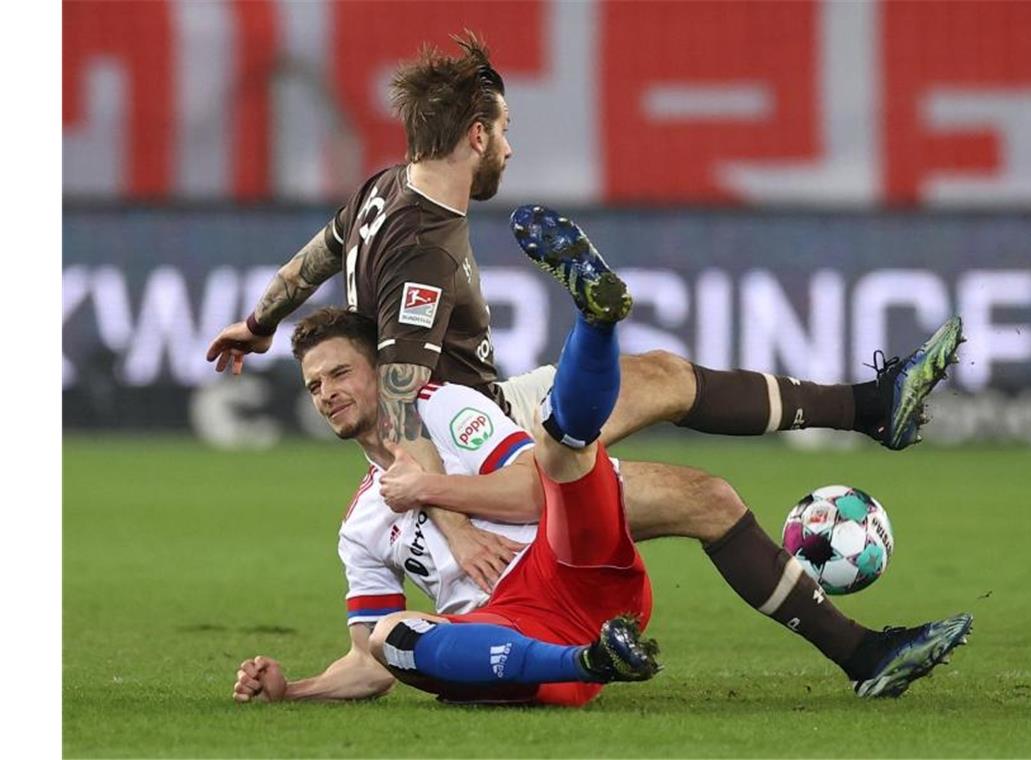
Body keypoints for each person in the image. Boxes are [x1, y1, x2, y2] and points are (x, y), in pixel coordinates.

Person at [209, 33, 965, 669]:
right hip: (475, 446)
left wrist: (261, 321)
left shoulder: (382, 190)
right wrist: (456, 524)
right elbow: (400, 403)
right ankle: (864, 655)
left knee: (663, 376)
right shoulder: (425, 253)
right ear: (475, 135)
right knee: (709, 501)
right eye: (502, 131)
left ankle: (874, 408)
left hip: (488, 408)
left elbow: (309, 260)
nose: (508, 146)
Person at [233, 301, 970, 706]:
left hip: (569, 562)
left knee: (580, 455)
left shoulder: (448, 409)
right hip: (510, 634)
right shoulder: (361, 523)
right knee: (392, 632)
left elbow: (530, 492)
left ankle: (595, 314)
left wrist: (433, 493)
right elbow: (371, 663)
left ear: (381, 372)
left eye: (340, 374)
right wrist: (293, 690)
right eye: (315, 385)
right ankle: (590, 662)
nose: (327, 393)